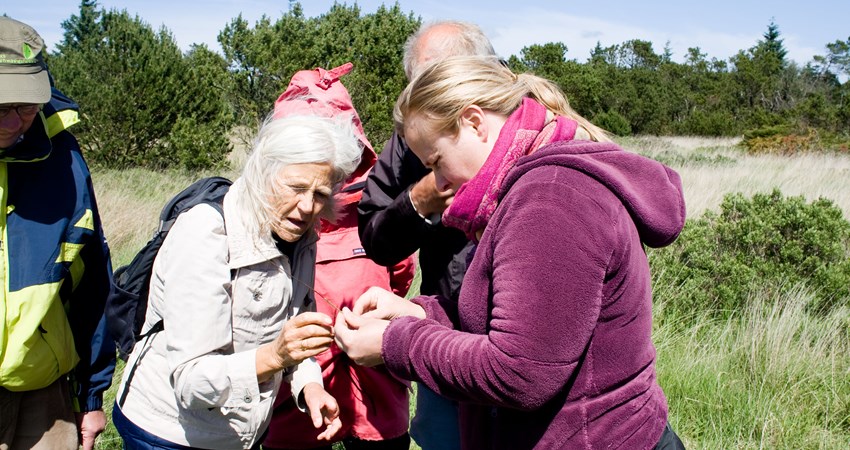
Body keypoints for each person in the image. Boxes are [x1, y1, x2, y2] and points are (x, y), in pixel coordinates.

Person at [336, 56, 687, 449]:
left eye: (436, 161)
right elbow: (515, 322)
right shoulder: (529, 186)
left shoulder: (551, 199)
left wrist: (393, 341)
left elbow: (521, 372)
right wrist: (418, 312)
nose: (437, 181)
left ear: (473, 122)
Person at [111, 114, 363, 450]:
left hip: (241, 435)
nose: (306, 207)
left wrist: (310, 386)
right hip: (168, 434)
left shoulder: (302, 237)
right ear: (263, 173)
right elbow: (191, 381)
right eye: (296, 188)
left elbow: (292, 334)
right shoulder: (207, 234)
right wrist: (275, 356)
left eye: (320, 194)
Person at [356, 20, 497, 450]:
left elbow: (527, 365)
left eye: (437, 87)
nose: (428, 102)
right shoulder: (409, 138)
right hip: (443, 329)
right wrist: (420, 199)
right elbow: (376, 236)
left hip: (514, 351)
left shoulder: (533, 128)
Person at [262, 63, 415, 450]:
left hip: (354, 382)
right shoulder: (377, 207)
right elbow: (399, 272)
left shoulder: (369, 211)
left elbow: (398, 271)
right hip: (311, 385)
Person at [0, 16, 116, 450]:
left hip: (44, 393)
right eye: (0, 107)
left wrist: (91, 393)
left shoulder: (62, 153)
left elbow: (91, 282)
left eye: (25, 106)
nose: (14, 123)